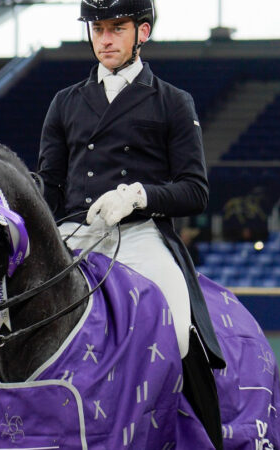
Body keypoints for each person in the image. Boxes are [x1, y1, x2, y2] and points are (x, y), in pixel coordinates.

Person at [37, 1, 224, 447]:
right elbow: (49, 185)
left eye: (116, 28)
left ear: (143, 32)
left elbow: (195, 191)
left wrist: (138, 196)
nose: (104, 39)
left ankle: (201, 431)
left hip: (141, 235)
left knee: (179, 325)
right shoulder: (65, 102)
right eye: (97, 29)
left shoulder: (173, 102)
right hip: (75, 236)